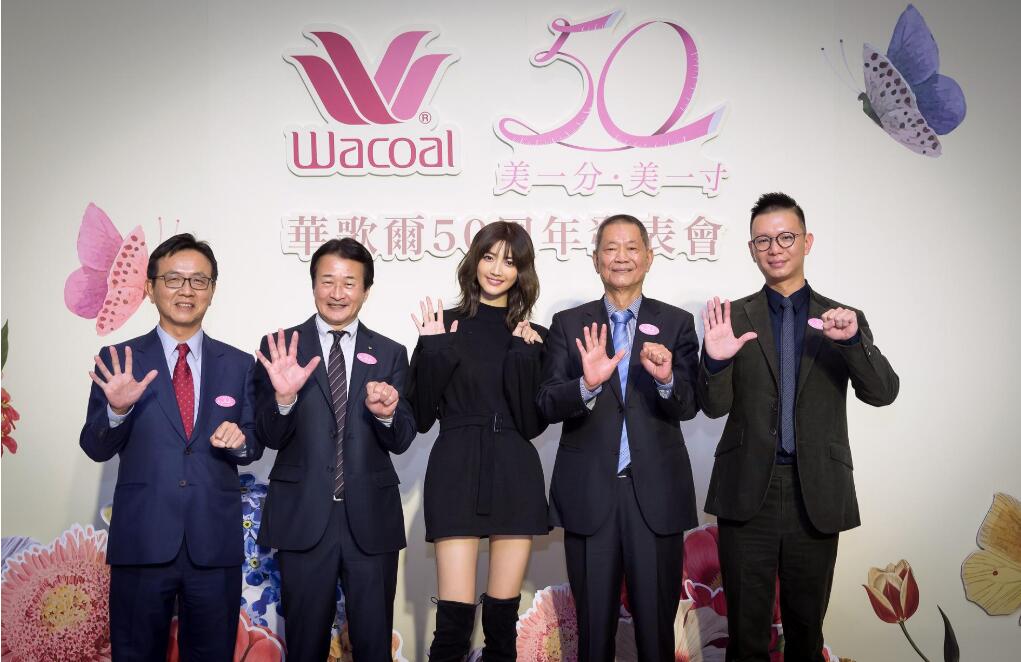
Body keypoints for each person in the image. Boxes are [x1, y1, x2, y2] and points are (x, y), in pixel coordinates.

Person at [699, 192, 900, 661]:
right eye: (763, 240)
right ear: (751, 250)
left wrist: (851, 343)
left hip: (817, 490)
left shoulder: (843, 318)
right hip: (747, 489)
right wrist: (715, 361)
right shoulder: (732, 318)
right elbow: (712, 406)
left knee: (806, 632)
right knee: (745, 634)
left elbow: (882, 392)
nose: (775, 248)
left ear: (806, 242)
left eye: (786, 237)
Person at [80, 233, 260, 661]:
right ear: (150, 287)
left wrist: (239, 442)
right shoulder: (119, 359)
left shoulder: (238, 364)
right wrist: (117, 410)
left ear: (212, 290)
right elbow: (95, 446)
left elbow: (253, 442)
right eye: (174, 279)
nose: (186, 290)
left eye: (199, 281)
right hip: (142, 540)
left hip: (213, 544)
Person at [537, 214, 700, 662]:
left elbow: (690, 404)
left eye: (631, 248)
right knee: (593, 637)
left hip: (656, 496)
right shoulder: (569, 324)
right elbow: (546, 402)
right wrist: (586, 386)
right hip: (591, 494)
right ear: (596, 259)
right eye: (610, 248)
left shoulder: (677, 323)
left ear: (649, 257)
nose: (621, 257)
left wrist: (666, 380)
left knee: (656, 637)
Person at [253, 237, 416, 662]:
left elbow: (402, 438)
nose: (337, 292)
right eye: (327, 281)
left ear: (366, 289)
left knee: (374, 646)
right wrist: (284, 399)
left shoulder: (390, 352)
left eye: (349, 282)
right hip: (303, 516)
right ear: (313, 285)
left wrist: (386, 415)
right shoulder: (280, 348)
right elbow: (267, 435)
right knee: (305, 646)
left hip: (370, 520)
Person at [408, 221, 549, 661]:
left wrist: (525, 356)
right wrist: (434, 351)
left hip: (514, 470)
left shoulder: (533, 335)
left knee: (502, 627)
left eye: (509, 261)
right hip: (456, 467)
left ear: (522, 271)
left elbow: (531, 423)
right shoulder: (443, 325)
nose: (497, 269)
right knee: (453, 623)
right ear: (474, 261)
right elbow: (421, 416)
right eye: (489, 257)